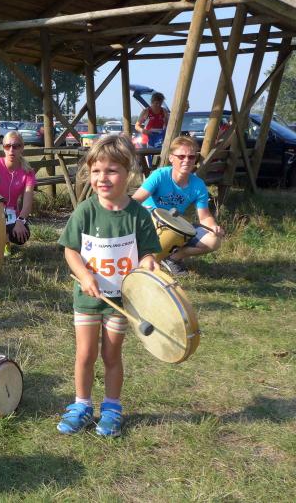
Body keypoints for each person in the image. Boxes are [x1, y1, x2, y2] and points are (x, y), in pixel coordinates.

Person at [57, 134, 161, 437]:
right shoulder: (85, 211)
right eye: (96, 171)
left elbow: (149, 253)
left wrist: (149, 262)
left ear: (128, 173)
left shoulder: (138, 215)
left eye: (112, 171)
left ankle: (112, 408)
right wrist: (84, 275)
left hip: (120, 303)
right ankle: (82, 405)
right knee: (85, 354)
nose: (102, 178)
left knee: (112, 355)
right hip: (87, 300)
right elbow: (70, 250)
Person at [131, 135, 224, 276]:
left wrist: (213, 227)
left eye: (191, 157)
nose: (187, 160)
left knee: (214, 241)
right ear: (171, 158)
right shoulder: (160, 175)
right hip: (150, 224)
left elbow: (204, 217)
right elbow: (136, 200)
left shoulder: (198, 185)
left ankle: (173, 258)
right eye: (181, 156)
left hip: (175, 227)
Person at [0, 131, 36, 247]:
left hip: (11, 213)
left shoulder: (28, 172)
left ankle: (4, 242)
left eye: (16, 146)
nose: (11, 150)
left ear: (22, 148)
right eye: (8, 146)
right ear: (3, 148)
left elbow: (27, 204)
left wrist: (20, 220)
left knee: (22, 234)